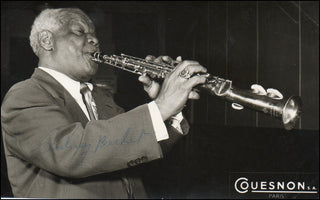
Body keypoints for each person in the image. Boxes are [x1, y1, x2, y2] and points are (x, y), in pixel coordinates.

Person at [1, 8, 207, 198]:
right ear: (47, 40)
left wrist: (173, 111)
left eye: (94, 34)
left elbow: (134, 155)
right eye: (79, 32)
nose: (94, 40)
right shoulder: (24, 95)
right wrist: (161, 106)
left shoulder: (101, 97)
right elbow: (71, 152)